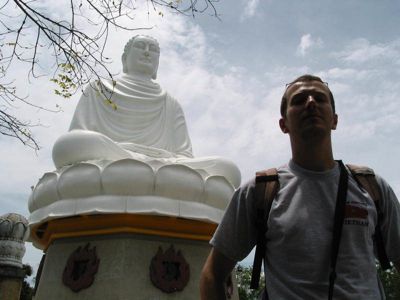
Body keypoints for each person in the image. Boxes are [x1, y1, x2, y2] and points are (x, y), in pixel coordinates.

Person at [200, 75, 400, 299]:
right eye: (299, 100)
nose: (311, 102)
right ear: (283, 125)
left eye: (320, 98)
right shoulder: (260, 192)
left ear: (334, 120)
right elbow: (212, 274)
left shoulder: (371, 187)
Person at [52, 35, 240, 188]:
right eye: (141, 46)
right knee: (69, 145)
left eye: (154, 50)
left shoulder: (170, 102)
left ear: (157, 62)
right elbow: (79, 134)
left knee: (228, 169)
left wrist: (160, 162)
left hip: (161, 163)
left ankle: (139, 165)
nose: (147, 52)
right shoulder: (99, 87)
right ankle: (142, 165)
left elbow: (183, 156)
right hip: (116, 154)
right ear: (125, 58)